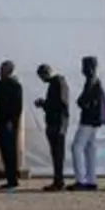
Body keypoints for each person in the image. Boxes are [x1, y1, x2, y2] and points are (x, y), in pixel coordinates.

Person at [70, 56, 105, 190]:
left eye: (84, 67)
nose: (82, 70)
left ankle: (81, 180)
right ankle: (91, 180)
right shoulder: (96, 81)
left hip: (88, 119)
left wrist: (81, 102)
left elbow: (83, 100)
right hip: (95, 120)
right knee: (90, 149)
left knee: (76, 147)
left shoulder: (91, 81)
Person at [35, 63, 70, 191]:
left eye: (42, 76)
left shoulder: (58, 83)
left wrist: (45, 104)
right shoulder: (56, 83)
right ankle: (58, 180)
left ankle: (59, 181)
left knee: (58, 154)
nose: (42, 79)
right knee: (56, 154)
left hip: (58, 124)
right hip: (55, 123)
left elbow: (61, 104)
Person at [0, 60, 23, 192]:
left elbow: (17, 107)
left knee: (11, 151)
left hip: (9, 123)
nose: (0, 71)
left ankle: (13, 179)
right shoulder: (1, 84)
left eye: (2, 69)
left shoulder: (14, 85)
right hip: (1, 122)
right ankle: (9, 178)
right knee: (5, 152)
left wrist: (12, 121)